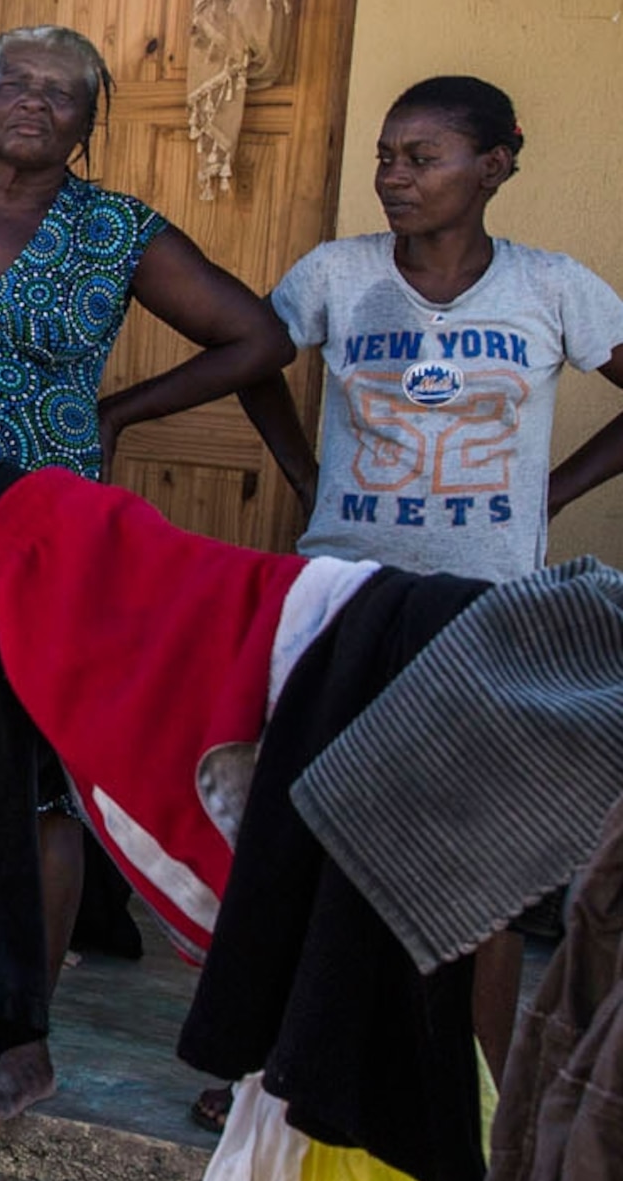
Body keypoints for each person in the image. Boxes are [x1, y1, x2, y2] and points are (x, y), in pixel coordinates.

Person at [0, 21, 291, 1115]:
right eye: (13, 83)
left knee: (34, 779)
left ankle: (20, 1033)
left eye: (61, 91)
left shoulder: (119, 231)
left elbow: (258, 338)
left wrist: (117, 412)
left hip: (38, 531)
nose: (33, 101)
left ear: (86, 122)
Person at [242, 73, 623, 1066]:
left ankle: (471, 1081)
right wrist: (301, 470)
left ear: (492, 166)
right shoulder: (338, 273)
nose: (393, 177)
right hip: (347, 594)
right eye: (385, 157)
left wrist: (551, 492)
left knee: (473, 862)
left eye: (422, 158)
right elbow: (250, 356)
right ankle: (278, 1068)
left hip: (485, 612)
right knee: (313, 834)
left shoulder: (551, 288)